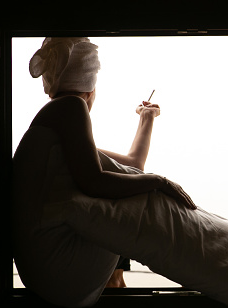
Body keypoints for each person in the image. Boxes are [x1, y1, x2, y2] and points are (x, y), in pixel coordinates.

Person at [23, 37, 196, 289]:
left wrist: (146, 117)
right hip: (58, 270)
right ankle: (118, 285)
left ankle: (117, 284)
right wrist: (159, 182)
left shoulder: (55, 123)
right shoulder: (72, 107)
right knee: (123, 200)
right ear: (90, 90)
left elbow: (132, 166)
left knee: (125, 185)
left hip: (40, 271)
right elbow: (96, 182)